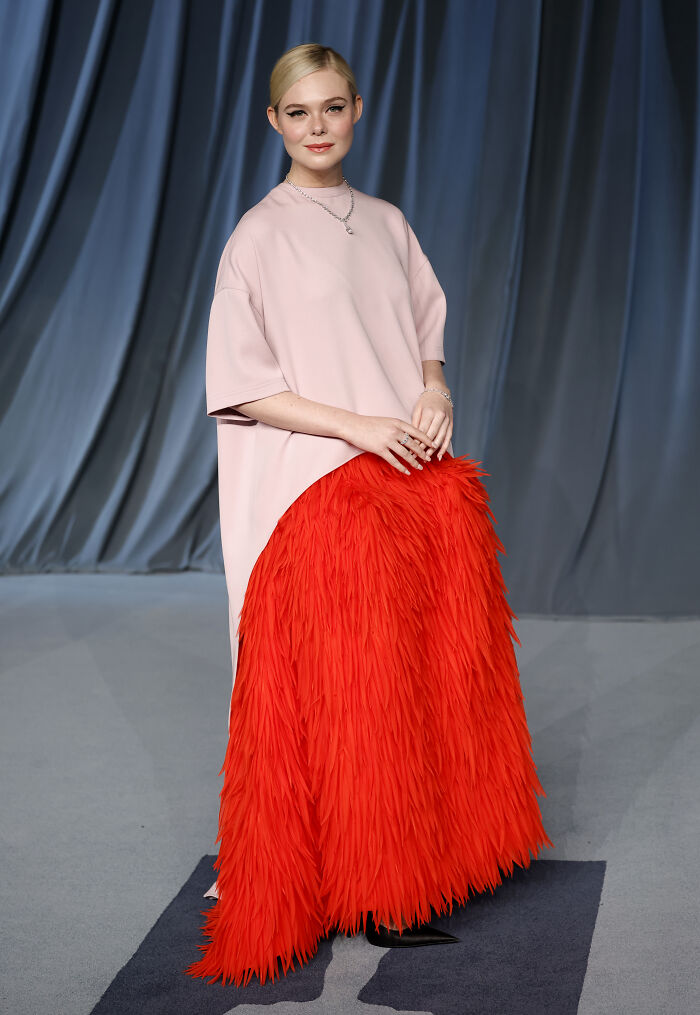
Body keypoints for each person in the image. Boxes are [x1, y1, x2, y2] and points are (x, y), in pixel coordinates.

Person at [187, 42, 553, 989]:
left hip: (410, 478)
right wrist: (357, 425)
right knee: (359, 693)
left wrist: (435, 388)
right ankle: (371, 891)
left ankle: (415, 864)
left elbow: (423, 326)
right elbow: (240, 382)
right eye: (298, 111)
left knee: (426, 679)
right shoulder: (257, 238)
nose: (318, 127)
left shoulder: (388, 222)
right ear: (274, 122)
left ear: (357, 110)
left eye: (332, 108)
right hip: (319, 491)